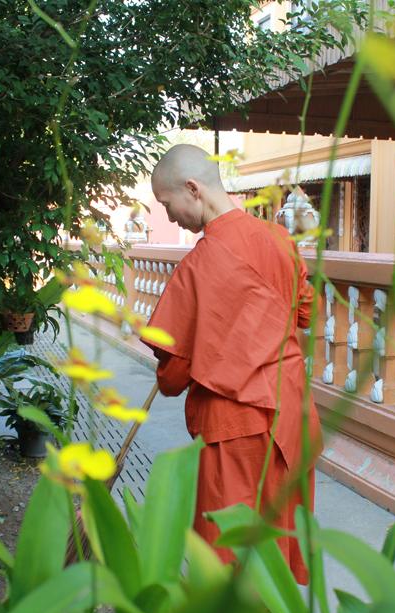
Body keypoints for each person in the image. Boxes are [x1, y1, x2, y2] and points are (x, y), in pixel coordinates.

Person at [138, 144, 321, 584]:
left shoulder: (198, 267)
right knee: (279, 541)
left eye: (167, 205)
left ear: (193, 189)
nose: (170, 217)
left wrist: (176, 362)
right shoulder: (280, 241)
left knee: (228, 554)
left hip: (234, 425)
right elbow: (305, 314)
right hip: (290, 417)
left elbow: (174, 376)